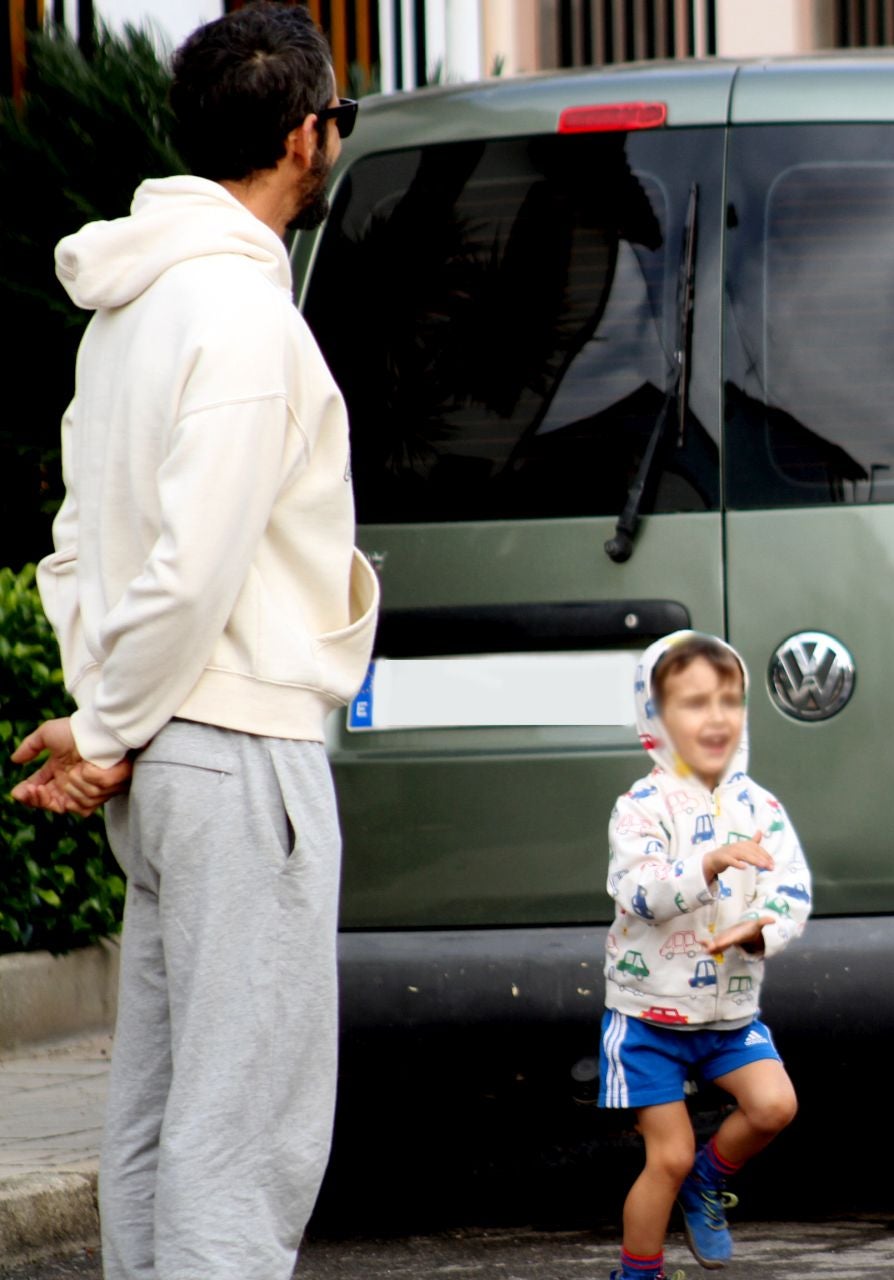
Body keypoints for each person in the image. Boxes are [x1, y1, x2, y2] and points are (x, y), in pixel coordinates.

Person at [6, 7, 378, 1278]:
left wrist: (101, 716)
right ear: (299, 137)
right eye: (340, 118)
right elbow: (198, 566)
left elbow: (76, 550)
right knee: (245, 1136)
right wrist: (107, 726)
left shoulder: (125, 315)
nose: (337, 139)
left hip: (170, 765)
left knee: (162, 1127)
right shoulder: (243, 320)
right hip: (239, 753)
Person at [600, 631, 811, 1279]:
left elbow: (793, 893)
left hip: (730, 1016)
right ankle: (639, 1273)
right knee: (665, 1155)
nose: (715, 717)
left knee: (775, 1106)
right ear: (656, 720)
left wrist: (758, 932)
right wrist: (709, 864)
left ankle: (705, 1184)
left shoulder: (762, 808)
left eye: (729, 700)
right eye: (694, 703)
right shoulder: (641, 807)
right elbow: (640, 891)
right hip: (650, 1020)